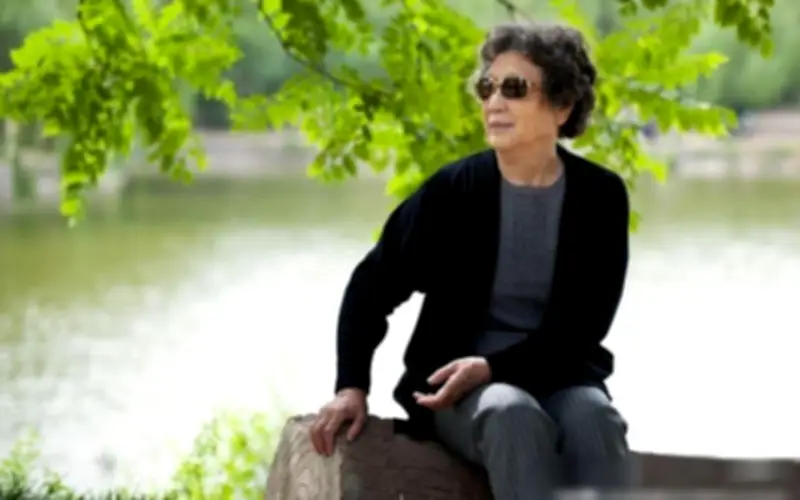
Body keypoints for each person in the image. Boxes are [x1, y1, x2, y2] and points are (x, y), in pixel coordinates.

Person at [310, 20, 632, 500]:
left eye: (514, 89)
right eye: (487, 87)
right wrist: (351, 386)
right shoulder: (453, 193)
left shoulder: (600, 196)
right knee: (511, 412)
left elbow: (584, 328)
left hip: (561, 375)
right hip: (457, 391)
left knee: (596, 419)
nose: (494, 102)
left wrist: (491, 367)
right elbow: (371, 287)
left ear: (562, 105)